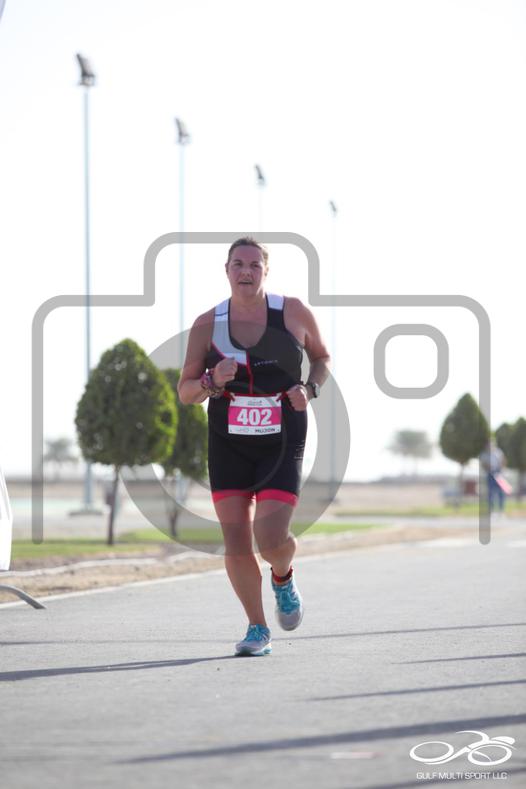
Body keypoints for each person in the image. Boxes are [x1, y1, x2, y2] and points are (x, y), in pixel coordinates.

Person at [178, 237, 330, 656]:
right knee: (236, 540)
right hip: (229, 441)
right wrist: (211, 380)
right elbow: (186, 392)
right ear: (226, 270)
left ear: (266, 271)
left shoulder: (293, 312)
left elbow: (322, 358)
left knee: (270, 536)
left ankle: (283, 576)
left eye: (254, 265)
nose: (246, 272)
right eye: (238, 264)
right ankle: (257, 628)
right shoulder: (207, 324)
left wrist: (309, 389)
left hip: (281, 437)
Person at [480, 439, 507, 515]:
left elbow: (503, 460)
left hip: (499, 473)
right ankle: (491, 510)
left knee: (501, 492)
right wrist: (488, 468)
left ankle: (501, 510)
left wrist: (501, 468)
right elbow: (483, 464)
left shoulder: (499, 452)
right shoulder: (484, 454)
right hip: (490, 474)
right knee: (491, 492)